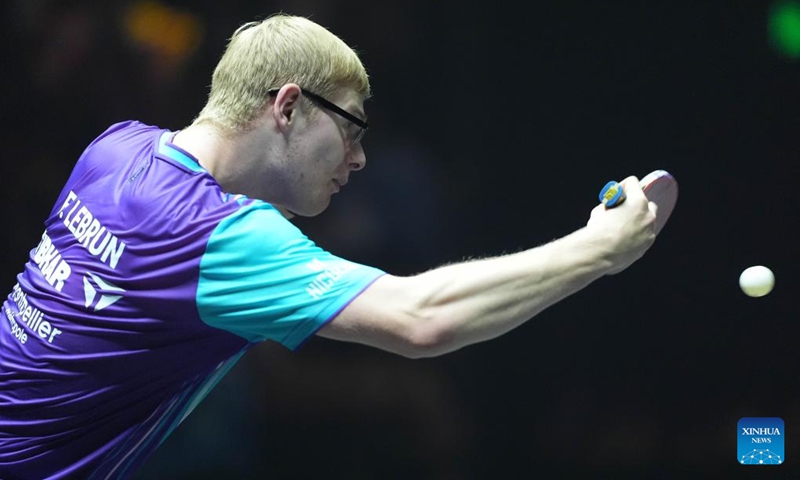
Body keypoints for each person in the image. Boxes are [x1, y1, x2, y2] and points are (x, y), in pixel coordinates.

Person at [0, 13, 657, 479]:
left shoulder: (115, 148)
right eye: (351, 129)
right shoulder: (218, 239)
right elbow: (420, 318)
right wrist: (596, 249)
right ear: (288, 106)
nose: (361, 158)